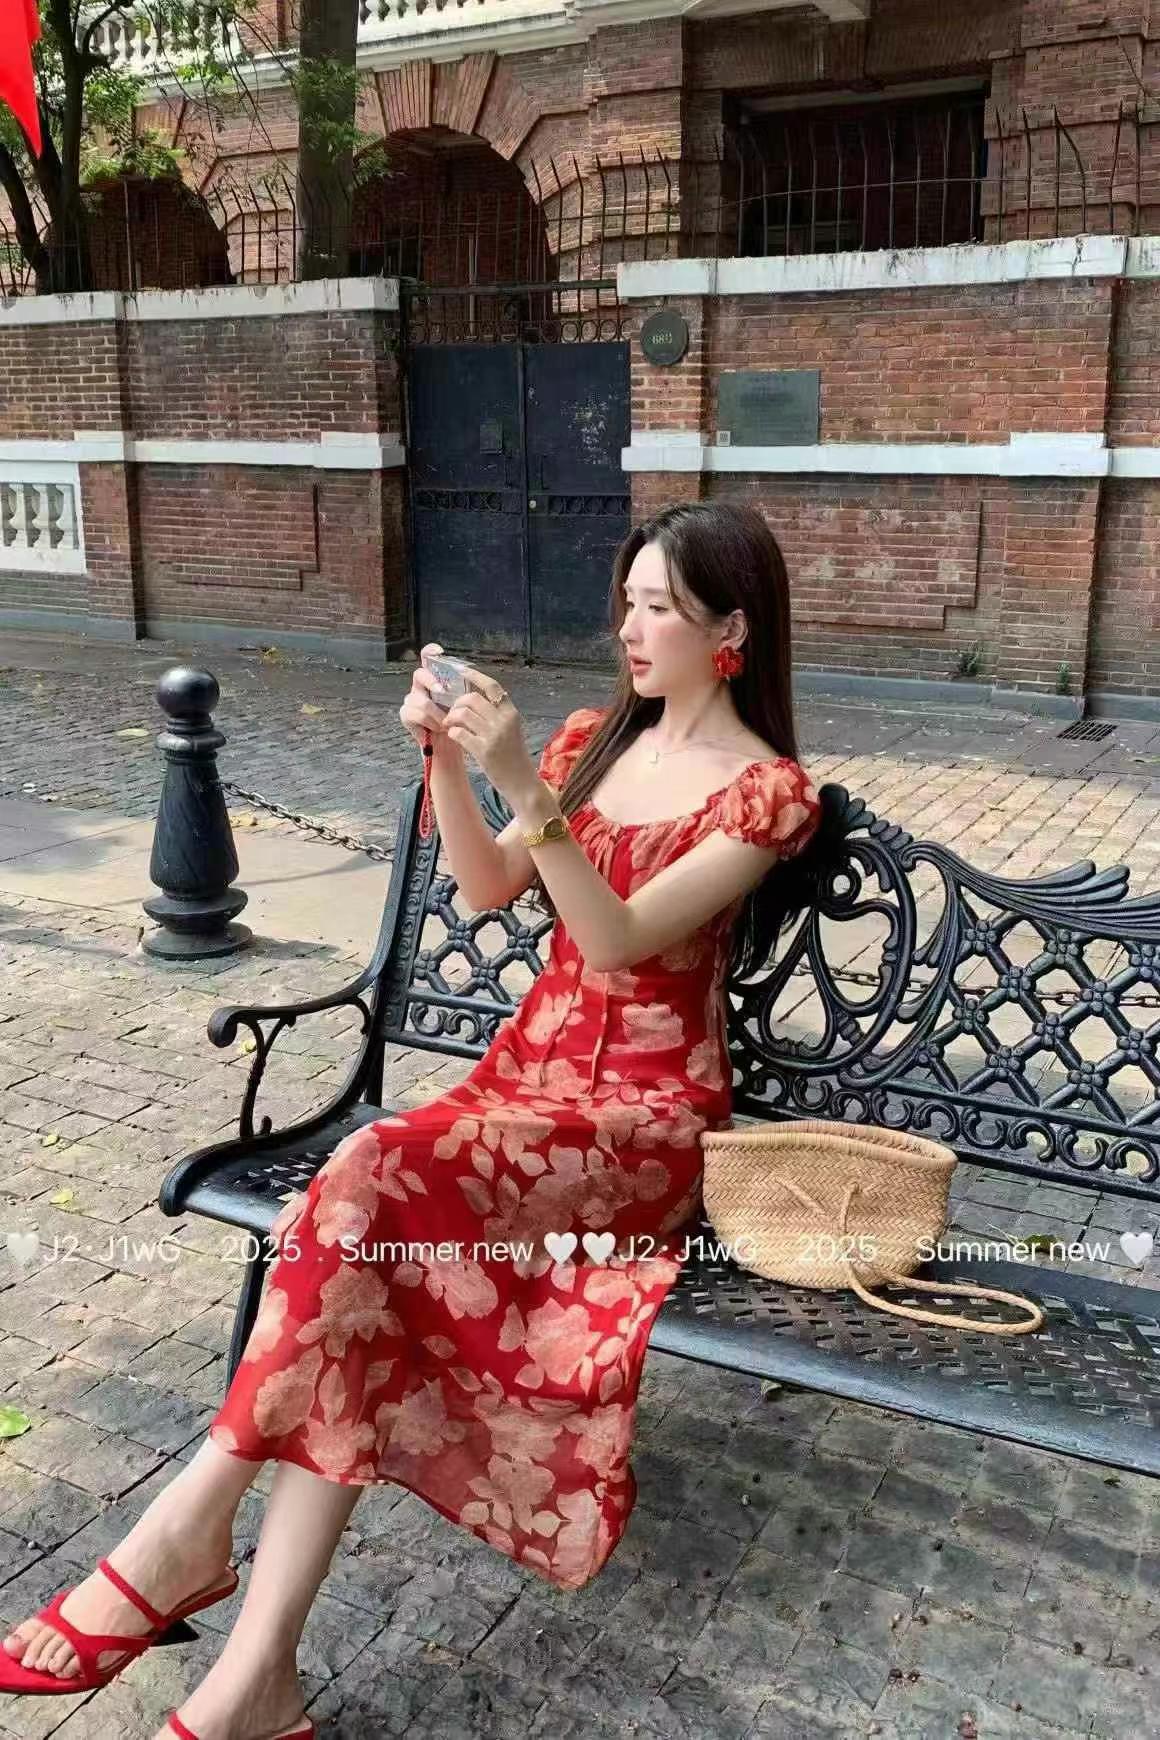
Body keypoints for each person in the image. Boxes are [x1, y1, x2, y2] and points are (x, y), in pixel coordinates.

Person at [0, 501, 821, 1739]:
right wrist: (444, 756)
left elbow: (612, 940)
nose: (629, 628)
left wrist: (519, 779)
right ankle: (254, 1679)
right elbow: (486, 886)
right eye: (627, 602)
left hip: (636, 1126)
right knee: (361, 1272)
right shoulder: (597, 740)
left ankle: (184, 1530)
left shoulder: (765, 794)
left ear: (731, 632)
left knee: (372, 1166)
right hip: (521, 1089)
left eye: (659, 607)